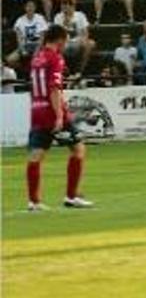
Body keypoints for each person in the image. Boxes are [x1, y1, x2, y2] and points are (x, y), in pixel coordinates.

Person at [25, 24, 93, 211]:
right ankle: (71, 197)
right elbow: (54, 89)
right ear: (60, 40)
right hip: (52, 111)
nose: (66, 44)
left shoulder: (37, 58)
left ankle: (34, 201)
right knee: (78, 149)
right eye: (66, 40)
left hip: (37, 110)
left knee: (35, 156)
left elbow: (34, 87)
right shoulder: (55, 58)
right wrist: (59, 117)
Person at [53, 0, 95, 79]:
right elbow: (56, 35)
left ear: (72, 7)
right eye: (63, 6)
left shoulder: (80, 15)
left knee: (91, 43)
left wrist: (83, 40)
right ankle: (66, 72)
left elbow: (85, 32)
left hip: (78, 42)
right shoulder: (58, 17)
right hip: (64, 43)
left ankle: (79, 71)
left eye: (68, 6)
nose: (65, 8)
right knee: (55, 45)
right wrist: (64, 25)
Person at [6, 0, 48, 69]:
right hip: (25, 45)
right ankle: (24, 71)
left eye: (32, 6)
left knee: (41, 60)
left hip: (38, 45)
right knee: (10, 60)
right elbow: (19, 38)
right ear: (25, 8)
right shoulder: (20, 20)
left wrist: (37, 50)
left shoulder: (40, 18)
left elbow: (42, 37)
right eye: (28, 6)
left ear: (35, 8)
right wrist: (22, 49)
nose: (30, 8)